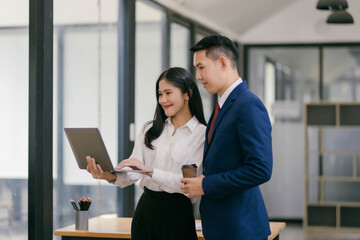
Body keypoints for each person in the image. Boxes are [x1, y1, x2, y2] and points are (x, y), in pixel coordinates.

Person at [86, 67, 206, 240]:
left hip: (178, 214)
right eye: (160, 94)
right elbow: (134, 171)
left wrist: (148, 170)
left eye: (168, 93)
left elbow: (187, 184)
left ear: (187, 94)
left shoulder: (202, 134)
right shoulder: (150, 129)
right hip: (146, 211)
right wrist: (109, 175)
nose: (163, 100)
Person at [181, 35, 273, 240]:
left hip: (241, 228)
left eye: (201, 67)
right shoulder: (223, 105)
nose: (197, 76)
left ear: (222, 62)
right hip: (222, 226)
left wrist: (206, 185)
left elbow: (261, 169)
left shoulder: (248, 105)